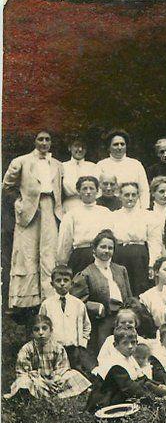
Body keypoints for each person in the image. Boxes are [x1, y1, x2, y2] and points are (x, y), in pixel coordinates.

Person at [3, 130, 64, 309]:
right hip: (29, 210)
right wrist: (19, 203)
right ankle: (26, 301)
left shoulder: (58, 165)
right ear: (34, 141)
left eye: (47, 140)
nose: (44, 143)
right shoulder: (22, 161)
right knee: (27, 252)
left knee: (49, 252)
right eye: (40, 139)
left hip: (50, 208)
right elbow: (6, 186)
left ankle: (49, 298)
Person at [71, 230, 133, 355]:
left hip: (123, 320)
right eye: (103, 247)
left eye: (110, 248)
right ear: (94, 249)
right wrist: (97, 307)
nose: (106, 251)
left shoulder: (121, 270)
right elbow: (77, 302)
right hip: (102, 322)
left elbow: (128, 296)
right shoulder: (86, 274)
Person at [5, 315, 91, 399]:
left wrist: (56, 379)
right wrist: (44, 381)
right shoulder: (26, 349)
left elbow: (62, 367)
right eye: (36, 329)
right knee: (23, 381)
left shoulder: (58, 348)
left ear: (51, 331)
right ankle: (32, 394)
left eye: (44, 328)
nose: (41, 332)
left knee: (74, 374)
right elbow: (24, 371)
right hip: (37, 381)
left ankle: (50, 392)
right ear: (31, 333)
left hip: (54, 381)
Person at [86, 326, 166, 412]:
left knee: (147, 385)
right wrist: (154, 400)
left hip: (121, 394)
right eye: (125, 343)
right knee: (142, 402)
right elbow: (131, 388)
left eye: (133, 343)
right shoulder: (115, 364)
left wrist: (159, 387)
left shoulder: (129, 358)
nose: (130, 346)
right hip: (105, 401)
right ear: (115, 345)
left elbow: (142, 379)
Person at [110, 182, 162, 295]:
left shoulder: (148, 216)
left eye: (133, 195)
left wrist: (152, 264)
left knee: (140, 289)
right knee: (120, 288)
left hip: (140, 257)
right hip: (119, 256)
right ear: (120, 196)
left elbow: (155, 242)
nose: (130, 198)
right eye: (126, 195)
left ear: (138, 196)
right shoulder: (113, 216)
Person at [39, 265, 92, 372]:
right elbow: (41, 325)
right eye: (58, 280)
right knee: (56, 373)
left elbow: (86, 326)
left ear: (71, 283)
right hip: (53, 349)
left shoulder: (78, 304)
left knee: (75, 373)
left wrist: (82, 344)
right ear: (52, 284)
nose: (62, 283)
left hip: (73, 349)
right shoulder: (47, 304)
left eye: (66, 280)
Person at [56, 176, 113, 274]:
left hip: (101, 256)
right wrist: (62, 263)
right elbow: (65, 241)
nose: (88, 192)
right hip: (80, 257)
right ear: (79, 191)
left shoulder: (105, 212)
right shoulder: (71, 214)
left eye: (91, 188)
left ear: (97, 191)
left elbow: (111, 237)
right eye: (84, 188)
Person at [96, 129, 150, 208]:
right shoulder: (101, 165)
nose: (119, 147)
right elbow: (97, 191)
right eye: (115, 144)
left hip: (133, 208)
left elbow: (144, 190)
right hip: (108, 208)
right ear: (109, 147)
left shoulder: (136, 164)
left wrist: (144, 209)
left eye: (122, 144)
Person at [61, 138, 98, 213]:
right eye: (76, 146)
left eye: (83, 147)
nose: (80, 149)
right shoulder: (62, 166)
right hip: (69, 205)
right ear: (69, 147)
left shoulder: (93, 166)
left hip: (89, 205)